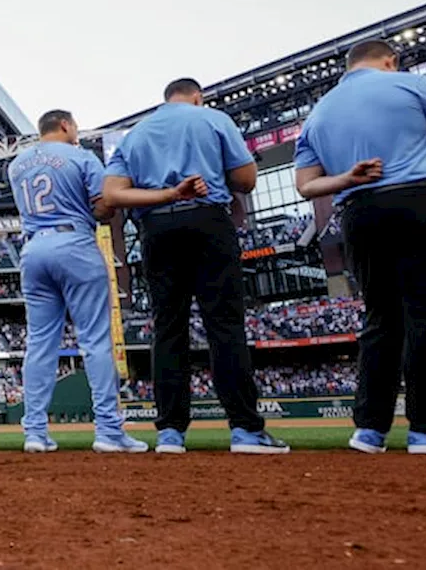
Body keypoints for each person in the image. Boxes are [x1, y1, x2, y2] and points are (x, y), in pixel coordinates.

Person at [294, 40, 426, 455]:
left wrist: (348, 176)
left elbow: (306, 186)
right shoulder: (413, 85)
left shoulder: (318, 113)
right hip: (419, 199)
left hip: (357, 211)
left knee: (381, 318)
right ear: (390, 61)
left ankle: (369, 429)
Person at [103, 77, 288, 454]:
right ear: (197, 97)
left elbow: (112, 195)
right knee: (224, 326)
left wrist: (165, 193)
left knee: (168, 329)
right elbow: (247, 180)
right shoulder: (214, 119)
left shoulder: (135, 135)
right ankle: (245, 430)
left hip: (157, 227)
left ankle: (170, 433)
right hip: (207, 220)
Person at [10, 110, 147, 454]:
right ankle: (108, 431)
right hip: (74, 243)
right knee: (96, 341)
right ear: (66, 126)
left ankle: (35, 433)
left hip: (33, 248)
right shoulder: (82, 156)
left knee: (40, 343)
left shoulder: (16, 164)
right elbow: (105, 207)